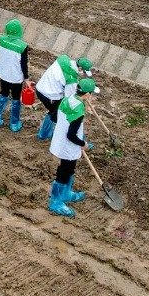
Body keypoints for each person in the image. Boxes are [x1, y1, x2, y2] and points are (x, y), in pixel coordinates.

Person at [47, 78, 97, 217]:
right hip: (67, 145)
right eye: (91, 94)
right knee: (64, 171)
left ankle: (66, 193)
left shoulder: (68, 99)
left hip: (61, 141)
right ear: (86, 94)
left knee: (69, 168)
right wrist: (83, 144)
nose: (92, 97)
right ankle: (55, 201)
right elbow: (71, 135)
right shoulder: (78, 110)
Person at [35, 55, 93, 140]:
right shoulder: (71, 79)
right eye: (83, 72)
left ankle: (44, 134)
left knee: (53, 112)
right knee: (54, 114)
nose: (83, 74)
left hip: (40, 87)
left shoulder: (63, 58)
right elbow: (69, 98)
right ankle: (43, 135)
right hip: (50, 95)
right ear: (80, 68)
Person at [0, 19, 29, 132]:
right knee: (16, 99)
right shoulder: (23, 46)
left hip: (4, 74)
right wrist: (26, 78)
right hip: (16, 78)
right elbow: (23, 64)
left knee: (3, 94)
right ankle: (14, 124)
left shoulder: (1, 39)